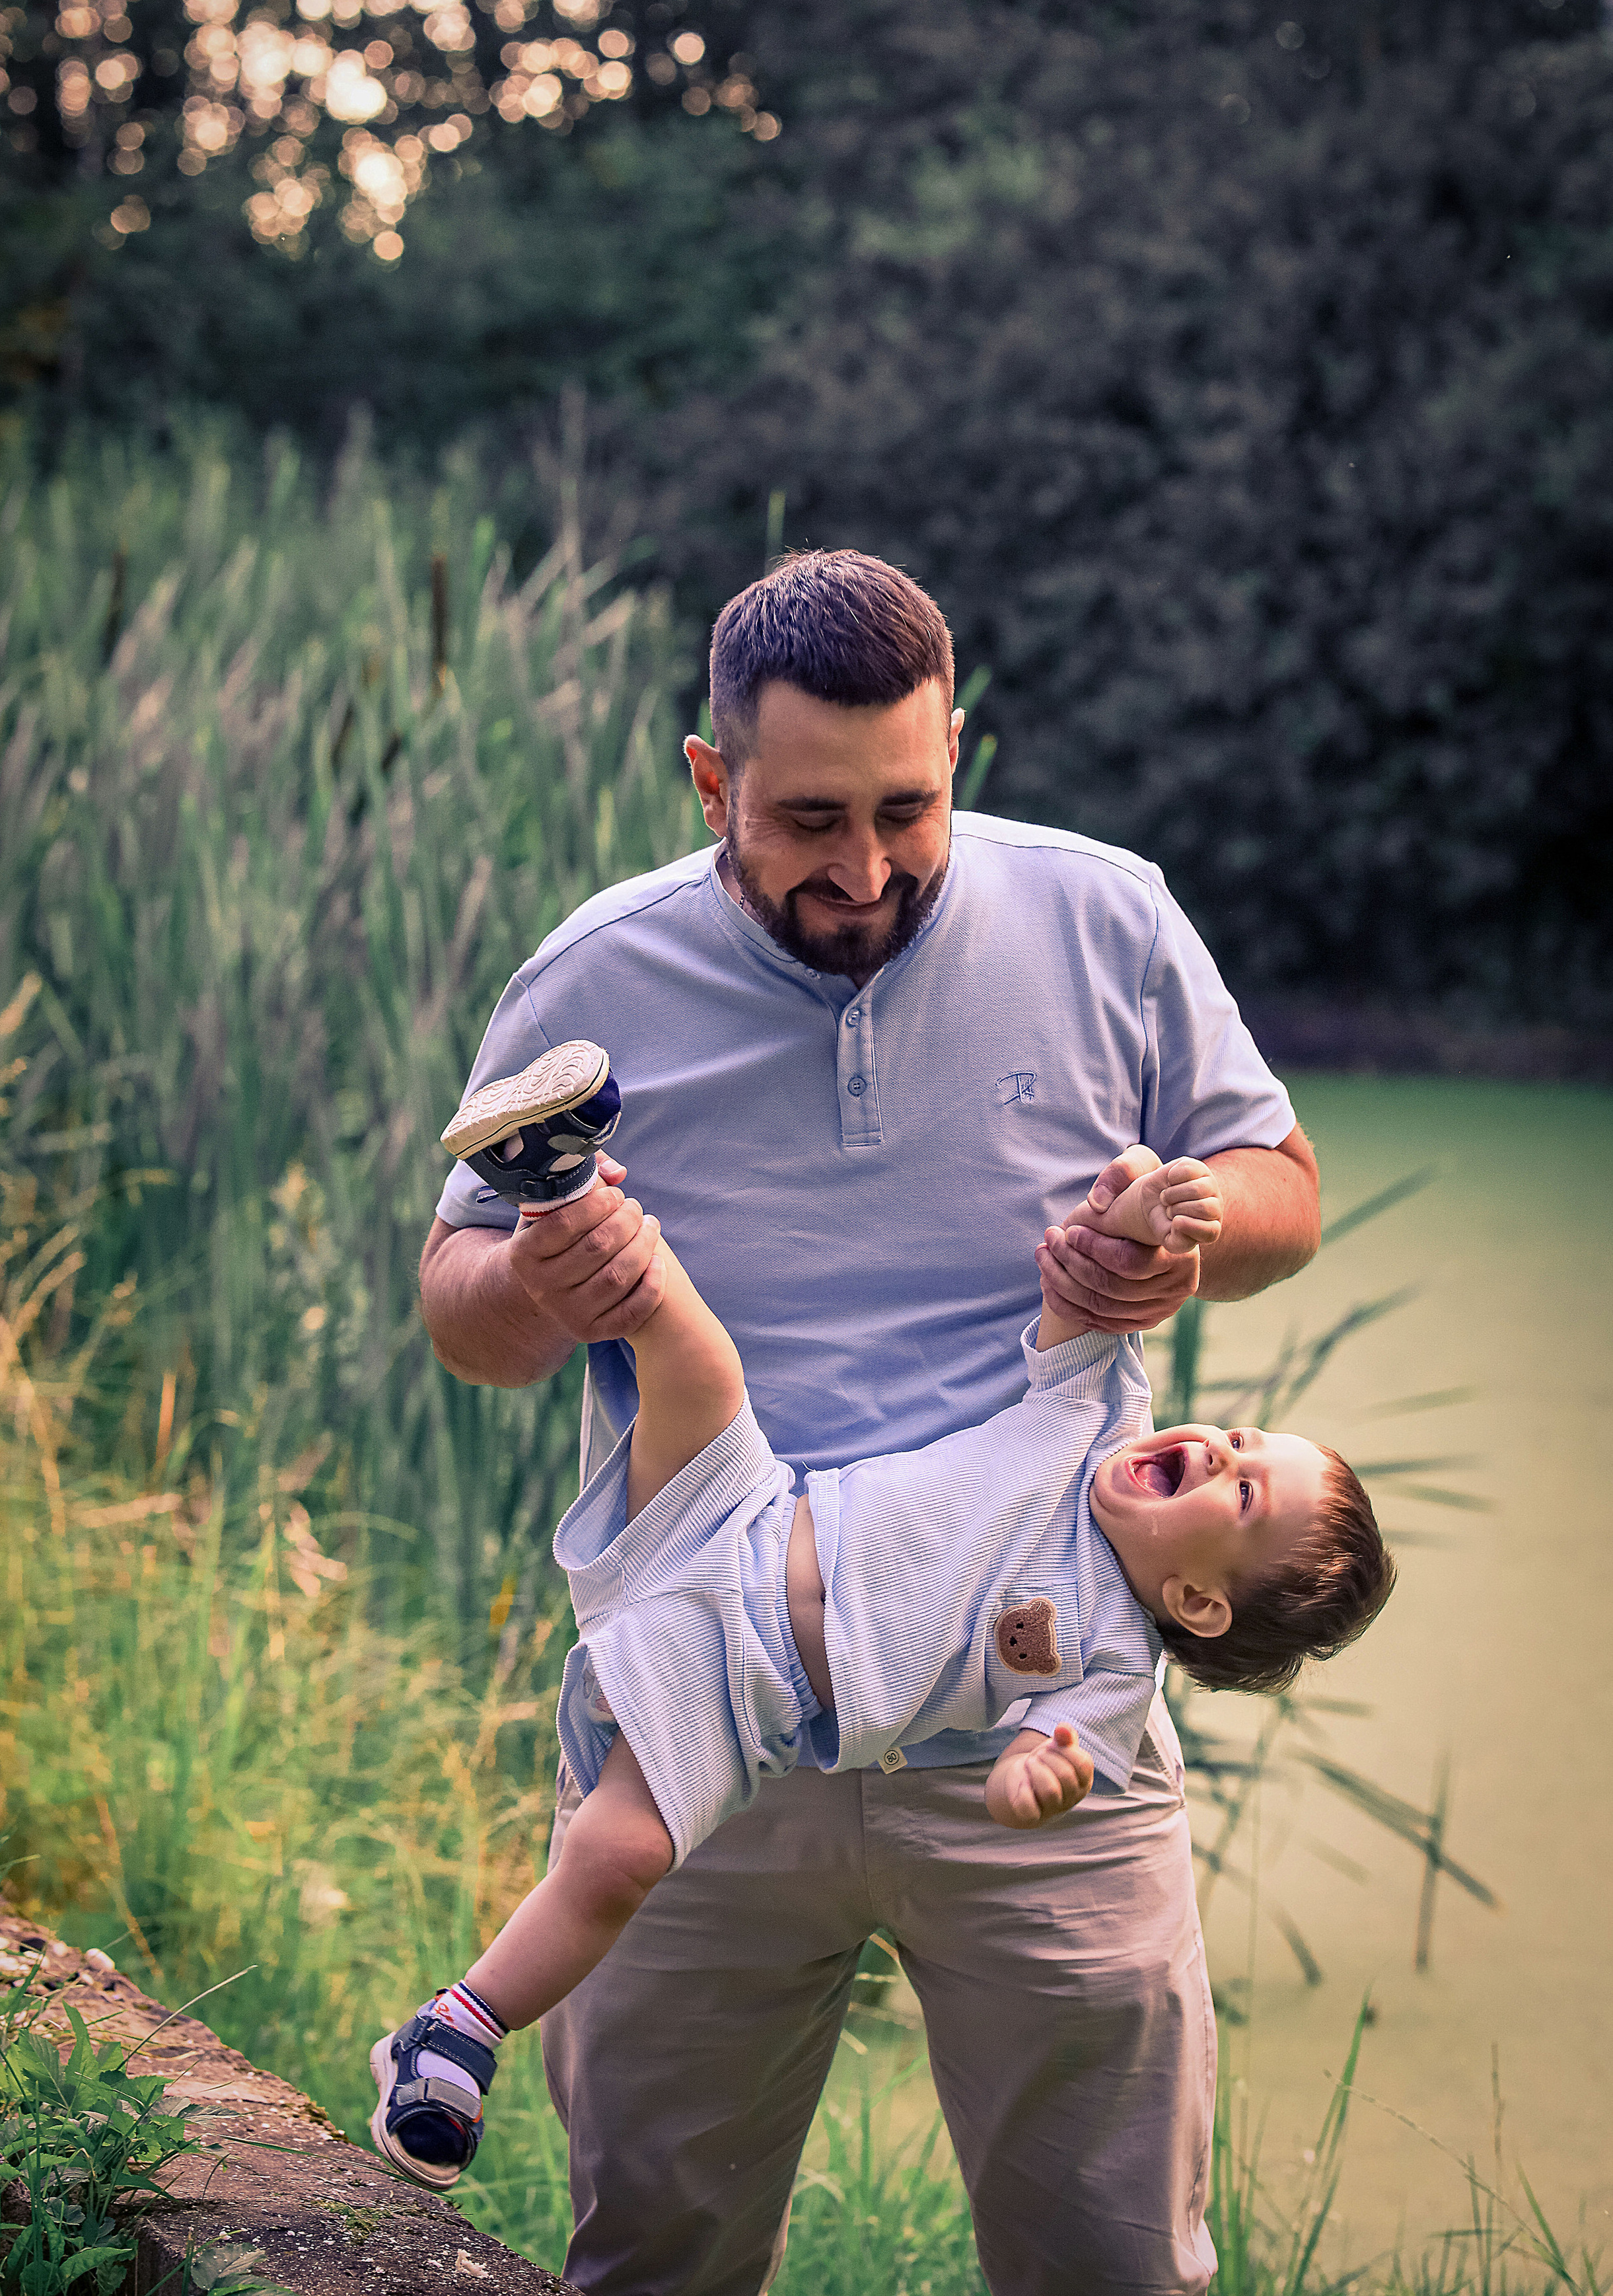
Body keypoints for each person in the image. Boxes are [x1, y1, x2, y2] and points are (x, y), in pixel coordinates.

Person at [418, 550, 1326, 2296]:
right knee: (658, 2258)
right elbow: (463, 1318)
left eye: (908, 809)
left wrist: (1182, 1245)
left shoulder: (1109, 918)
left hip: (1043, 1731)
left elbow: (1281, 1188)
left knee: (1115, 2268)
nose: (865, 869)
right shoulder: (591, 978)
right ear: (711, 779)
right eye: (809, 820)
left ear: (956, 748)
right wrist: (544, 1279)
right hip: (706, 1729)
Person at [371, 1062, 1391, 2194]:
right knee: (690, 1351)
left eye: (1242, 1494)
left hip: (735, 1691)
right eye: (1244, 1439)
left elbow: (1045, 1759)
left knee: (620, 1858)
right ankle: (558, 1178)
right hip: (735, 1513)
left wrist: (1034, 1781)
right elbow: (1097, 1257)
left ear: (1200, 1602)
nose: (1218, 1450)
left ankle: (452, 2036)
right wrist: (1146, 1208)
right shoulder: (1099, 1413)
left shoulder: (1111, 1661)